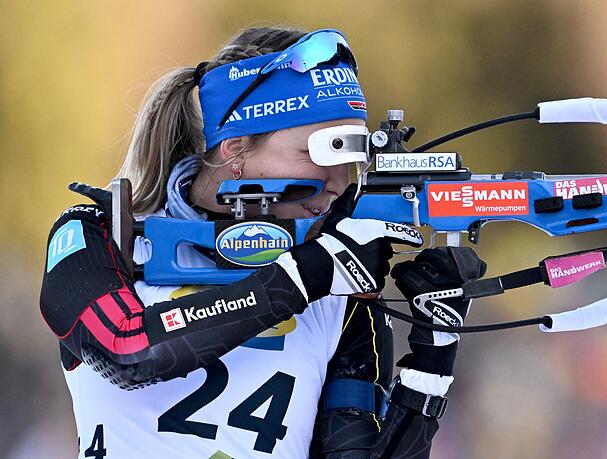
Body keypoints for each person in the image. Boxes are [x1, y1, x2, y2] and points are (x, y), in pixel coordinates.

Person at [39, 26, 486, 458]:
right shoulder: (98, 232)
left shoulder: (338, 282)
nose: (339, 182)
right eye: (320, 152)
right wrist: (306, 274)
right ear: (234, 147)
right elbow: (128, 349)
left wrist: (432, 363)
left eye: (351, 158)